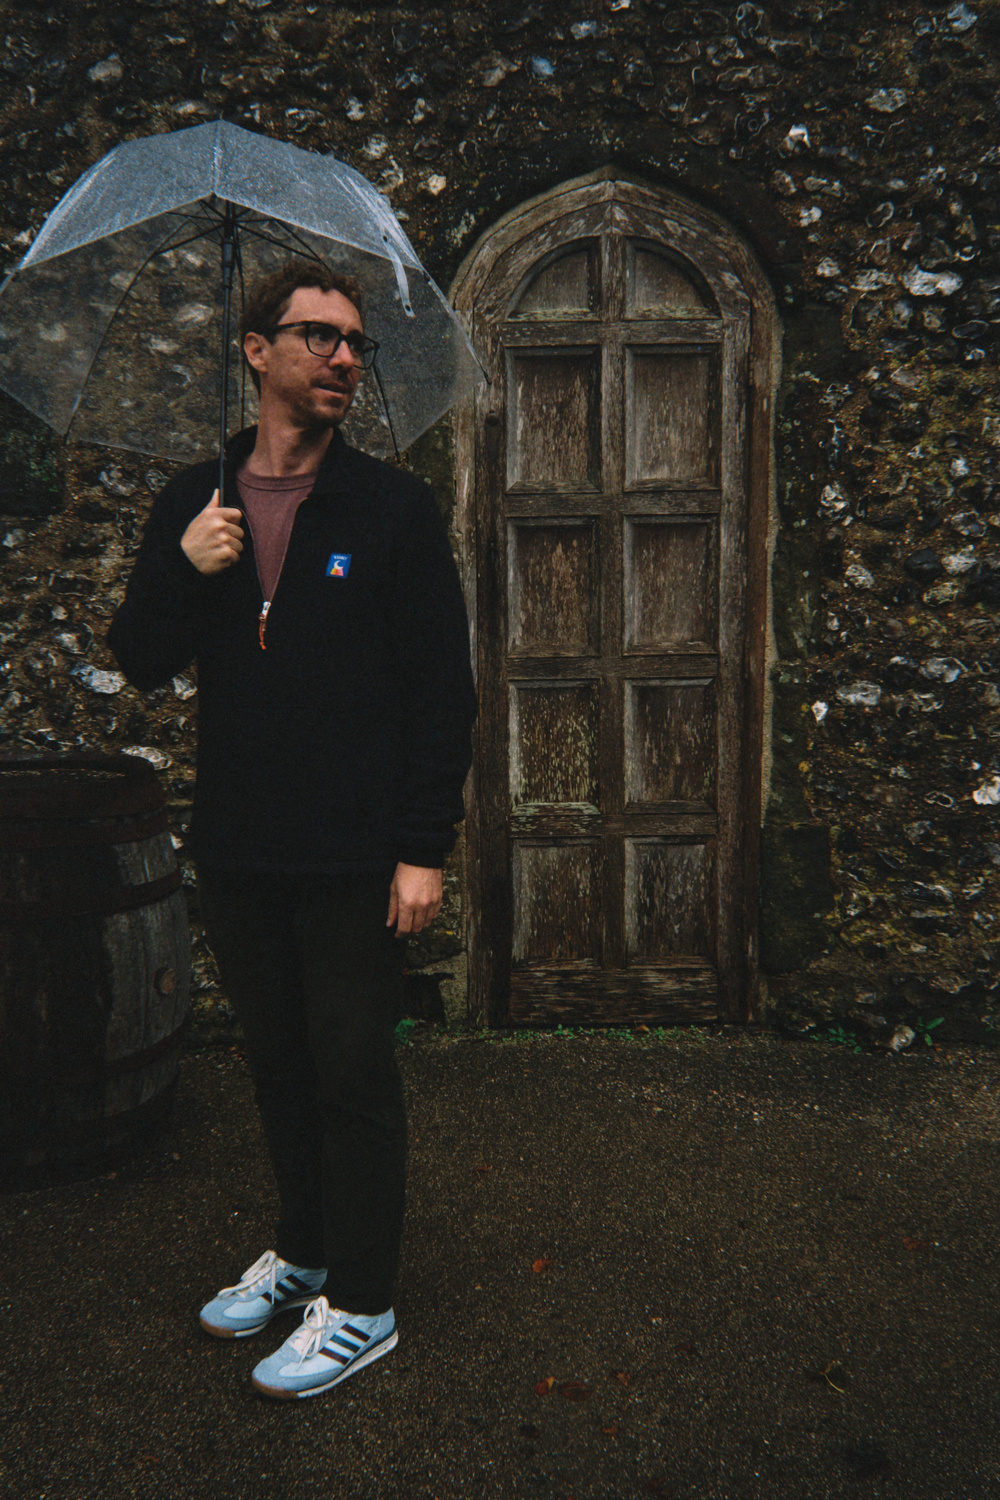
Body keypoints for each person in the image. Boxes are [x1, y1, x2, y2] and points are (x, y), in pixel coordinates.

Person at [108, 258, 477, 1400]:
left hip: (355, 851)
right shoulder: (195, 500)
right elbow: (139, 658)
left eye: (354, 343)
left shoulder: (391, 508)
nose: (344, 359)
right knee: (275, 1064)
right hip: (239, 843)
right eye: (319, 336)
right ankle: (307, 1250)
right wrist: (185, 568)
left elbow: (440, 692)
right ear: (256, 350)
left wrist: (423, 849)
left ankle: (363, 1305)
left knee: (353, 1070)